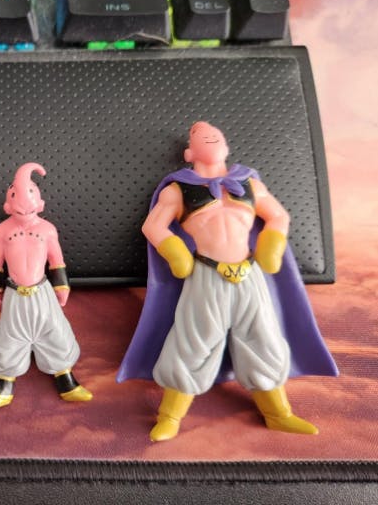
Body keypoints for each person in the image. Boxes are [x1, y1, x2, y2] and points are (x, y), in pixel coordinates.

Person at [117, 121, 338, 441]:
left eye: (215, 134)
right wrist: (175, 252)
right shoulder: (178, 190)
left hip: (249, 274)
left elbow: (278, 215)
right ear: (189, 153)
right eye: (199, 135)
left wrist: (272, 244)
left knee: (264, 337)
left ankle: (278, 414)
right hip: (206, 275)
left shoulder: (249, 184)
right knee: (194, 340)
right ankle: (170, 416)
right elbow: (153, 226)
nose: (208, 133)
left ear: (226, 146)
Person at [0, 162, 92, 409]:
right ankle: (4, 381)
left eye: (30, 191)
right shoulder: (1, 231)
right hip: (14, 294)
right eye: (16, 194)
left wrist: (62, 286)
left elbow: (57, 261)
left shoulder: (47, 229)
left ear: (40, 202)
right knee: (9, 334)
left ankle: (65, 378)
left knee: (55, 330)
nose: (23, 201)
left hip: (42, 292)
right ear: (8, 204)